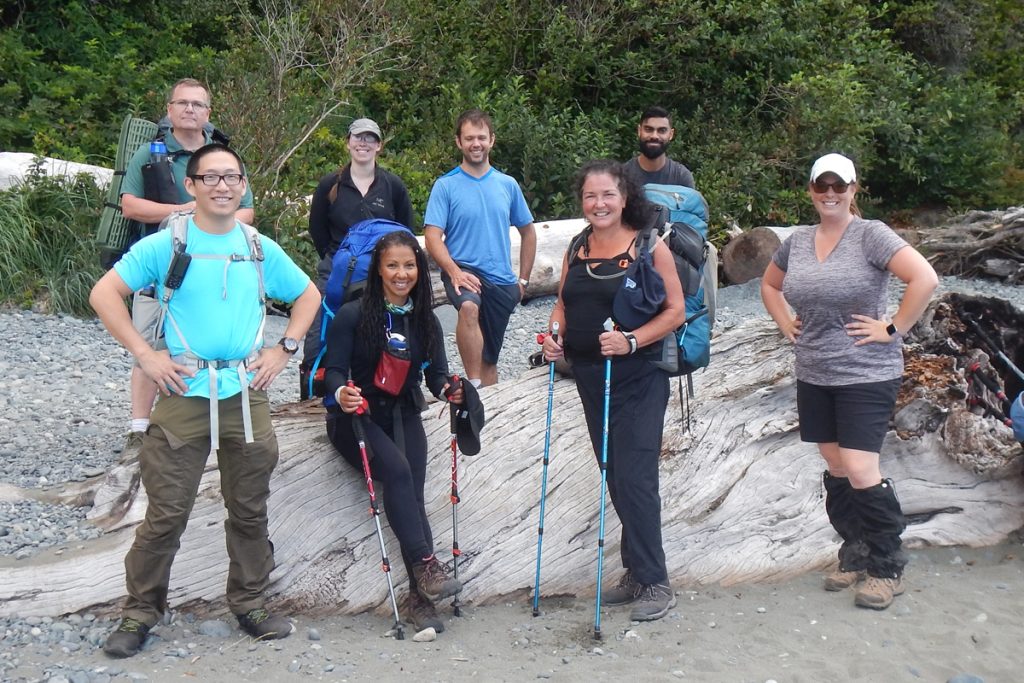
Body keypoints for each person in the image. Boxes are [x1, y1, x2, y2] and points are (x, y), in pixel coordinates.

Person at [90, 143, 321, 657]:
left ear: (243, 186)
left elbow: (308, 295)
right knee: (166, 514)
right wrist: (145, 356)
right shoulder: (167, 244)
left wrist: (284, 349)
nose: (222, 186)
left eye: (231, 177)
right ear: (190, 185)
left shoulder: (257, 247)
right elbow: (104, 294)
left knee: (249, 509)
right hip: (183, 392)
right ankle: (139, 611)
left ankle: (250, 603)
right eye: (210, 177)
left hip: (245, 393)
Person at [760, 152, 938, 610]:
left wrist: (893, 327)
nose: (830, 194)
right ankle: (855, 554)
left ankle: (887, 567)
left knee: (860, 467)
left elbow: (924, 277)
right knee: (836, 466)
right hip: (815, 371)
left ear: (853, 189)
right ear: (811, 190)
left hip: (866, 372)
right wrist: (784, 322)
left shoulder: (870, 235)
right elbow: (769, 285)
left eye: (840, 186)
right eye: (822, 185)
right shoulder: (798, 242)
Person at [542, 160, 685, 622]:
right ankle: (637, 572)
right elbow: (563, 303)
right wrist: (553, 337)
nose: (598, 203)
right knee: (614, 474)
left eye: (607, 195)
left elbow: (675, 311)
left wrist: (631, 341)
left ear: (625, 198)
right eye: (590, 196)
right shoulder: (578, 246)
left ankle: (657, 581)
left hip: (639, 376)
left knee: (636, 476)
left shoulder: (649, 245)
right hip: (589, 375)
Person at [323, 230, 464, 633]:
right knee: (399, 473)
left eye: (409, 265)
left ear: (419, 269)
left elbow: (436, 376)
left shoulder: (425, 320)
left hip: (403, 412)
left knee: (412, 494)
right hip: (355, 417)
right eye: (392, 266)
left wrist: (450, 390)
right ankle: (426, 568)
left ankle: (420, 598)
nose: (402, 274)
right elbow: (333, 371)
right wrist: (342, 393)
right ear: (379, 271)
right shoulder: (353, 314)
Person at [119, 78, 257, 459]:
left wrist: (203, 221)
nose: (190, 110)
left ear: (208, 113)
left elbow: (247, 211)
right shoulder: (149, 154)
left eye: (197, 104)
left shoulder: (222, 157)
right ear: (169, 109)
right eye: (182, 103)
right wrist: (184, 213)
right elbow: (130, 205)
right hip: (157, 268)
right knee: (149, 345)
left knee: (203, 347)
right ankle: (138, 430)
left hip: (213, 269)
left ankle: (197, 426)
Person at [424, 108, 537, 388]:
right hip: (463, 269)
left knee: (490, 360)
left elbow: (528, 231)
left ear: (492, 140)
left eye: (481, 138)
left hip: (501, 280)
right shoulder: (445, 186)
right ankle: (473, 386)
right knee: (468, 308)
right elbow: (432, 237)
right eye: (469, 138)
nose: (476, 144)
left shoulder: (507, 185)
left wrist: (523, 280)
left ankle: (488, 401)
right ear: (459, 142)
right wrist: (454, 272)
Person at [303, 118, 416, 385]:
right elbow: (317, 229)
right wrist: (338, 259)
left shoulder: (393, 186)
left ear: (379, 146)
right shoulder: (330, 184)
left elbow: (406, 231)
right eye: (358, 137)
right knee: (319, 327)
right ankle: (316, 380)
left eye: (370, 138)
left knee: (387, 326)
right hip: (336, 266)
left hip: (383, 270)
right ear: (348, 143)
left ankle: (392, 380)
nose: (363, 143)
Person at [623, 106, 695, 189]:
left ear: (671, 134)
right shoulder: (623, 175)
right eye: (648, 129)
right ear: (639, 131)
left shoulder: (681, 177)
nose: (654, 136)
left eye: (662, 131)